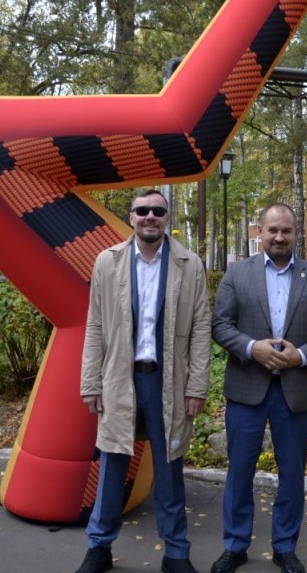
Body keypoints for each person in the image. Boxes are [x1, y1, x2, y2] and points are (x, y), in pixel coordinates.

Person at [76, 189, 212, 573]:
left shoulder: (189, 264)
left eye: (158, 211)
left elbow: (202, 327)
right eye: (142, 211)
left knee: (169, 469)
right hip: (120, 377)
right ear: (131, 217)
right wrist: (91, 382)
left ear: (167, 218)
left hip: (168, 381)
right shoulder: (109, 262)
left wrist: (197, 386)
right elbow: (96, 325)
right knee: (113, 465)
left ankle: (176, 553)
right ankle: (99, 547)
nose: (150, 216)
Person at [210, 203, 307, 573]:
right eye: (273, 230)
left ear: (297, 233)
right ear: (260, 231)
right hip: (246, 390)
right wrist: (254, 348)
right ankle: (235, 545)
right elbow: (220, 325)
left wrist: (300, 356)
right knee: (239, 471)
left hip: (294, 390)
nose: (279, 237)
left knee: (292, 473)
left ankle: (285, 547)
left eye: (286, 231)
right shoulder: (238, 274)